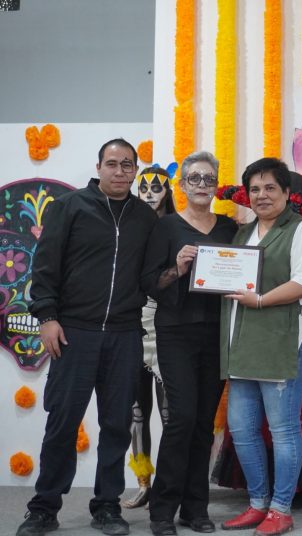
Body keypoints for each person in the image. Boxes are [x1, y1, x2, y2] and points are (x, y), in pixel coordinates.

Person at [17, 138, 158, 536]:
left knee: (116, 425)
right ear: (99, 167)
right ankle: (43, 508)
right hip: (74, 332)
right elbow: (45, 266)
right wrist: (47, 317)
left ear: (135, 170)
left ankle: (107, 506)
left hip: (124, 334)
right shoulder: (70, 206)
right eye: (112, 163)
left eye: (127, 165)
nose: (119, 171)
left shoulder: (145, 218)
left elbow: (149, 276)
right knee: (62, 422)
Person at [220, 158, 302, 536]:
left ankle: (281, 509)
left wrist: (260, 300)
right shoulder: (243, 234)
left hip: (282, 341)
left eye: (270, 188)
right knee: (242, 429)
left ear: (286, 192)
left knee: (283, 430)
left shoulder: (301, 229)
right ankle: (257, 502)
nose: (262, 195)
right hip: (242, 344)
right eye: (255, 189)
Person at [142, 152, 238, 535]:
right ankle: (162, 509)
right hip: (176, 332)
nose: (201, 184)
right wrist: (177, 268)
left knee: (203, 423)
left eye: (208, 179)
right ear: (182, 185)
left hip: (217, 333)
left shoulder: (229, 227)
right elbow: (149, 283)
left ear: (216, 185)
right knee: (181, 418)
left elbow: (244, 270)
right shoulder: (166, 227)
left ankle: (195, 508)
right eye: (194, 178)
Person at [124, 167, 175, 510]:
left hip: (167, 324)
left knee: (170, 413)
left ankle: (170, 485)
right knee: (136, 413)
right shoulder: (128, 226)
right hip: (131, 322)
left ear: (168, 191)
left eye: (157, 187)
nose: (150, 193)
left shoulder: (176, 227)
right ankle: (144, 482)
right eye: (144, 187)